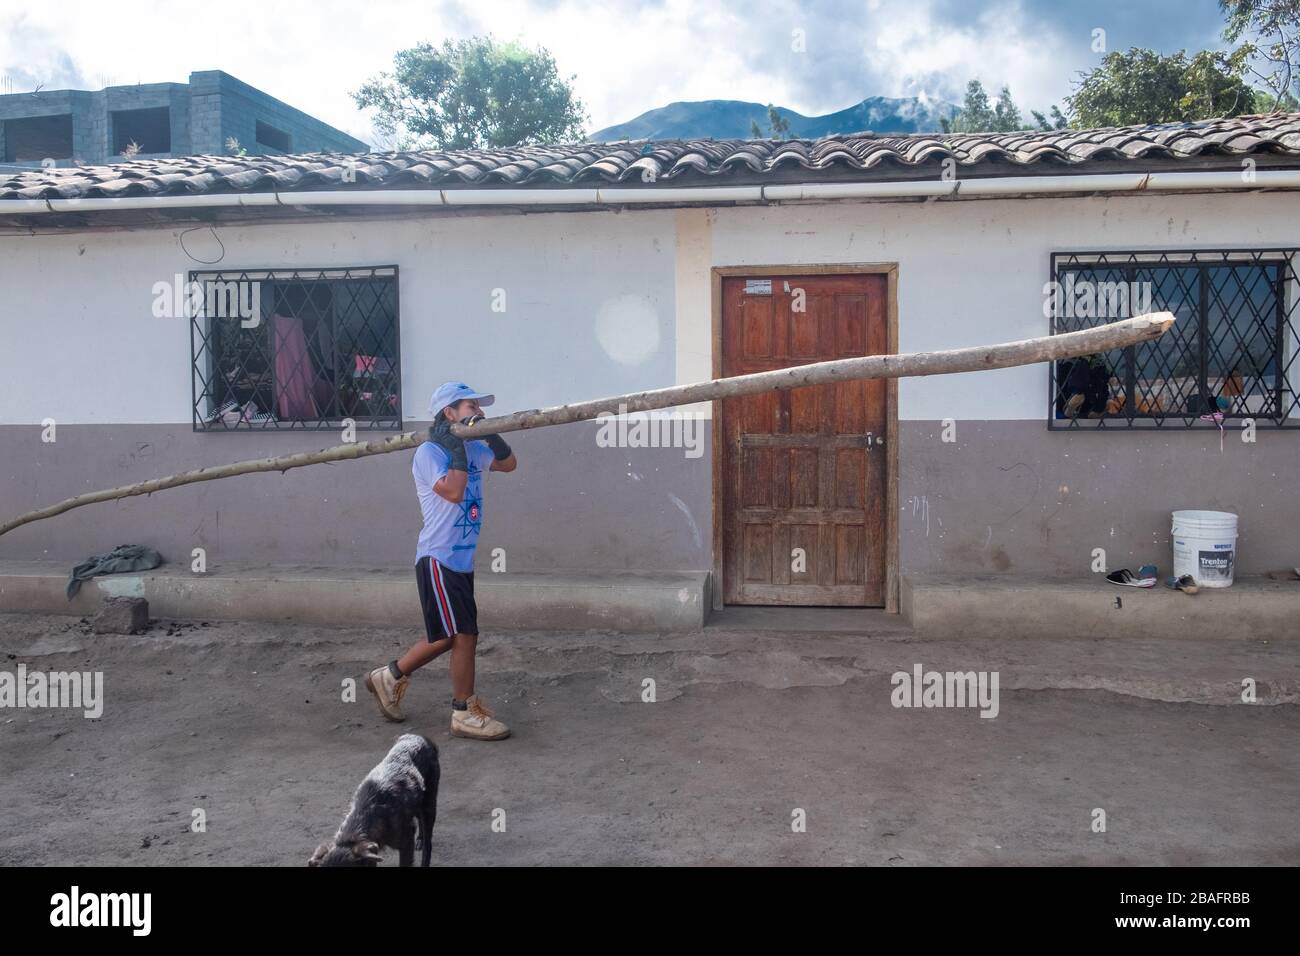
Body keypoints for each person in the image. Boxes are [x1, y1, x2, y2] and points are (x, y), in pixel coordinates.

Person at [365, 382, 517, 739]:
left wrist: (493, 438)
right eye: (470, 405)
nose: (478, 410)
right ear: (449, 413)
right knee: (462, 635)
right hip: (439, 557)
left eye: (480, 406)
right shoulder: (430, 453)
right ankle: (463, 712)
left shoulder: (474, 447)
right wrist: (456, 449)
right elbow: (453, 491)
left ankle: (389, 676)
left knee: (453, 636)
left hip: (461, 560)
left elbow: (509, 465)